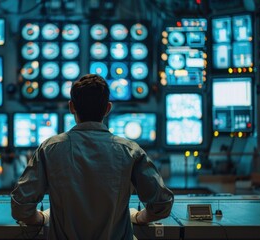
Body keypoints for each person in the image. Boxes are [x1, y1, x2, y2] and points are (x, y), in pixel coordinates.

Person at [11, 74, 174, 239]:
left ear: (71, 107)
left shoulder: (49, 149)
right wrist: (139, 217)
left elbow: (20, 208)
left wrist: (43, 218)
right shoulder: (129, 150)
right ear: (108, 109)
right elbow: (162, 204)